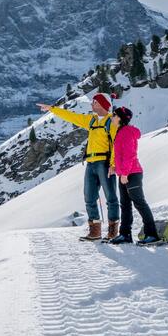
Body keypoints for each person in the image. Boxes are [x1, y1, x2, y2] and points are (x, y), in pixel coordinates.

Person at [36, 93, 119, 241]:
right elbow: (72, 117)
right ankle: (95, 231)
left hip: (104, 163)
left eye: (94, 102)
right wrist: (52, 109)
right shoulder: (91, 120)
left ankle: (113, 232)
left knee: (111, 197)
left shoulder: (111, 121)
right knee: (89, 197)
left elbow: (115, 145)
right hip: (91, 163)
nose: (92, 104)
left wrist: (113, 164)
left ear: (102, 104)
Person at [108, 106, 161, 245]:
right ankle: (125, 234)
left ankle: (152, 234)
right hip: (124, 173)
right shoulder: (121, 131)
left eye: (114, 115)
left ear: (120, 118)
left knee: (139, 203)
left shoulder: (126, 132)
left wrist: (125, 173)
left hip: (132, 173)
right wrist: (116, 168)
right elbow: (121, 155)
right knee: (125, 205)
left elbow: (130, 155)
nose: (112, 117)